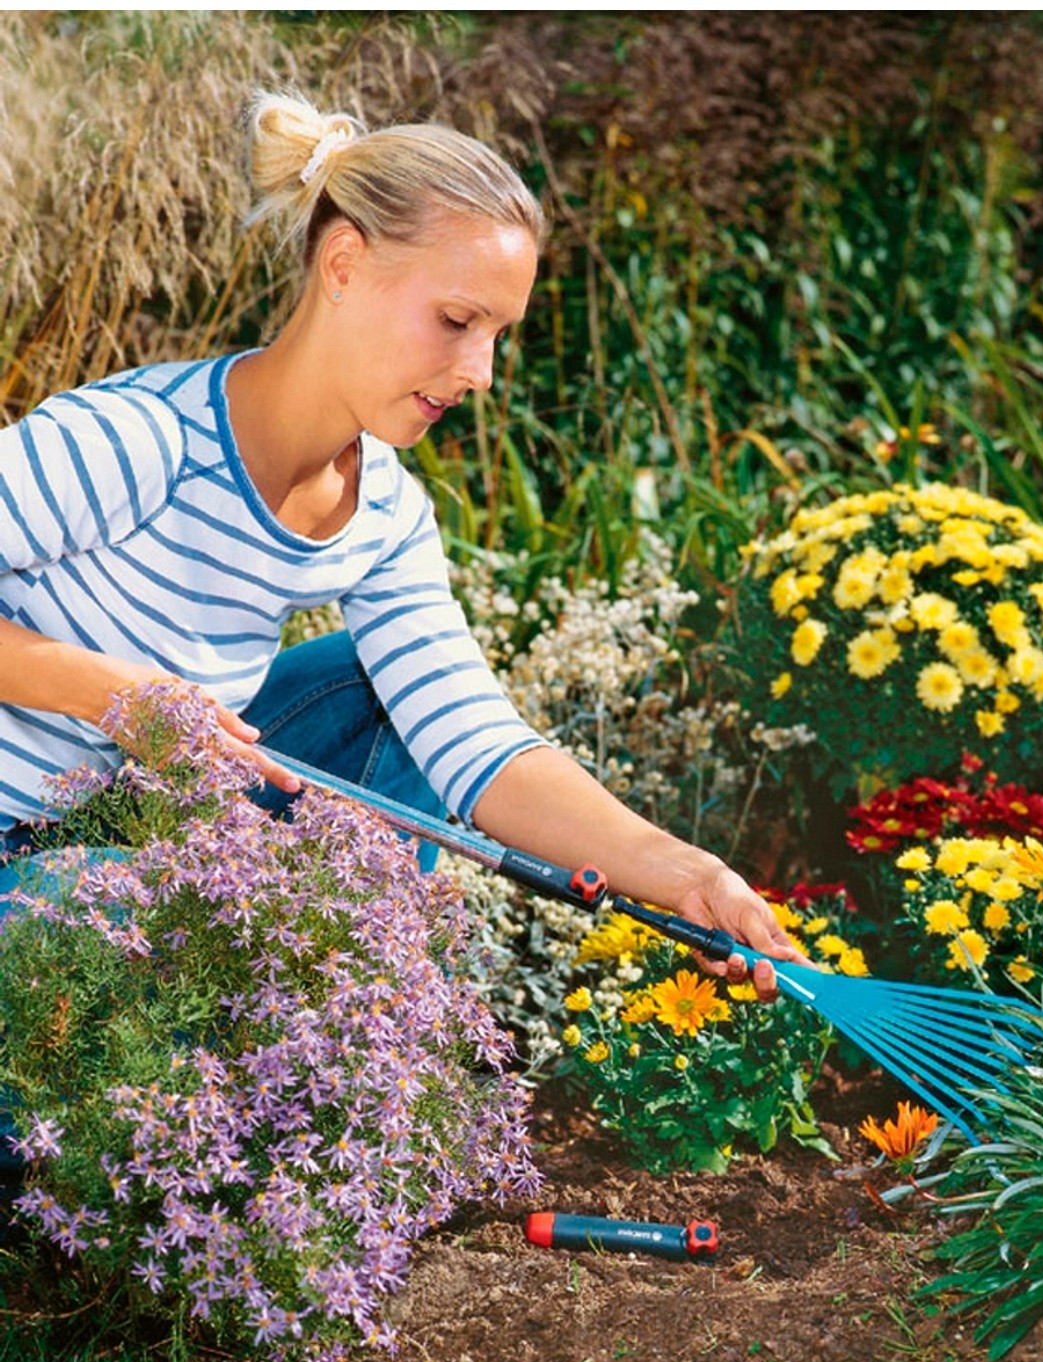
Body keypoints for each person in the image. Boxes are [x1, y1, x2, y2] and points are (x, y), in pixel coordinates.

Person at [0, 90, 799, 995]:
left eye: (499, 336)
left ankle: (302, 1029)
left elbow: (470, 737)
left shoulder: (385, 515)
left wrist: (690, 876)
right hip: (27, 856)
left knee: (386, 696)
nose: (481, 373)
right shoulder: (137, 441)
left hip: (119, 834)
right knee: (127, 934)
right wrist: (114, 693)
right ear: (343, 263)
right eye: (457, 321)